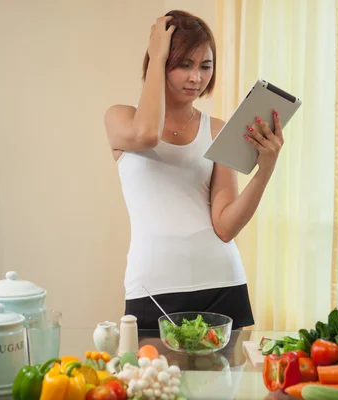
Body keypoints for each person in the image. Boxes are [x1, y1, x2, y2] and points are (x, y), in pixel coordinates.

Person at [104, 10, 284, 331]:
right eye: (184, 64)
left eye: (205, 66)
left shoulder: (217, 129)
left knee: (226, 383)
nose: (195, 78)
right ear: (159, 62)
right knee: (154, 382)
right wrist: (158, 55)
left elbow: (225, 226)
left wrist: (265, 170)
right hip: (152, 288)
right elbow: (147, 135)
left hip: (221, 283)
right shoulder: (120, 118)